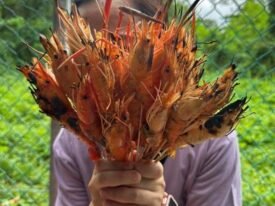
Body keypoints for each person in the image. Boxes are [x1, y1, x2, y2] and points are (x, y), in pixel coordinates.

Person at [53, 1, 242, 205]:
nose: (100, 66)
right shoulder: (71, 142)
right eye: (81, 55)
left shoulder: (213, 140)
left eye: (120, 44)